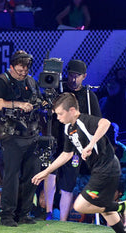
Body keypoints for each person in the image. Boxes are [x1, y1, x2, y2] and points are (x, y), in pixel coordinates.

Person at [32, 93, 126, 233]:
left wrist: (92, 143)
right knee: (103, 208)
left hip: (107, 168)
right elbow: (66, 154)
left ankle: (123, 206)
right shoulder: (68, 128)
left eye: (60, 113)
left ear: (72, 110)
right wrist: (46, 171)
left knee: (80, 205)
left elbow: (105, 123)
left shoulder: (84, 120)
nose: (58, 117)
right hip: (99, 169)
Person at [0, 50, 42, 227]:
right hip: (11, 136)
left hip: (32, 135)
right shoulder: (2, 80)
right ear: (11, 66)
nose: (23, 71)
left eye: (26, 67)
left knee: (32, 174)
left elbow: (39, 101)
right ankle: (7, 215)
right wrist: (18, 104)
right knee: (11, 176)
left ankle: (24, 213)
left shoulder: (31, 81)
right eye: (20, 67)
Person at [51, 59, 102, 222]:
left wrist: (92, 145)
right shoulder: (59, 91)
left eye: (77, 75)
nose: (73, 79)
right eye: (71, 75)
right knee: (58, 180)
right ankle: (55, 217)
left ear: (84, 76)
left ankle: (68, 221)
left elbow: (97, 122)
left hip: (79, 147)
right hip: (60, 143)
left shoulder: (89, 96)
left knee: (78, 183)